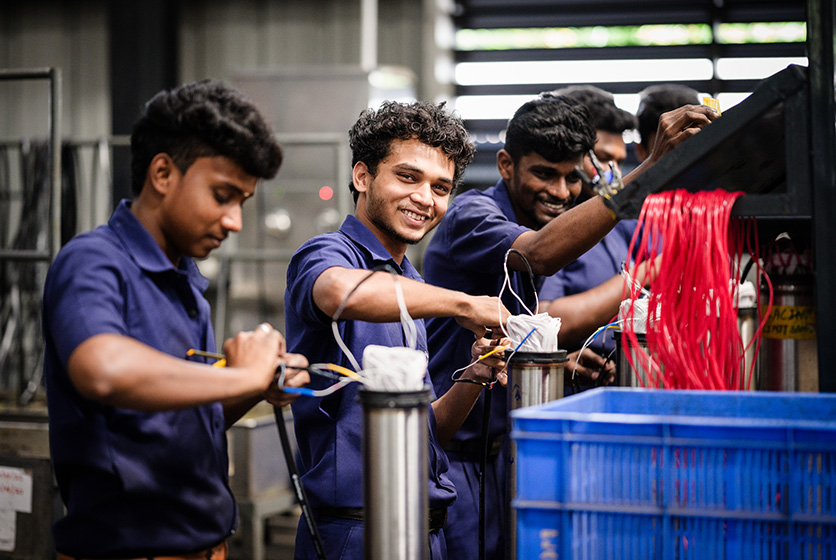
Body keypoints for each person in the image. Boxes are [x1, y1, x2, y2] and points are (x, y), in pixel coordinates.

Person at [423, 94, 718, 559]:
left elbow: (520, 325)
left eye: (571, 178)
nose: (560, 192)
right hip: (454, 458)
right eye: (544, 173)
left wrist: (567, 362)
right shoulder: (472, 216)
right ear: (506, 165)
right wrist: (649, 168)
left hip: (506, 453)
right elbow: (537, 252)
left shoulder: (546, 218)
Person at [42, 80, 310, 560]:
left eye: (243, 202)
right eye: (222, 195)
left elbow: (185, 416)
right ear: (163, 173)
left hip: (206, 547)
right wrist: (242, 374)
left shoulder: (185, 282)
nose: (235, 221)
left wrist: (253, 385)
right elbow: (101, 369)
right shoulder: (94, 262)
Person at [284, 100, 512, 560]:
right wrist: (463, 303)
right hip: (355, 533)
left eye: (441, 187)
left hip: (424, 531)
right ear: (362, 177)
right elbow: (337, 292)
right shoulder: (328, 253)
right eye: (408, 177)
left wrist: (474, 375)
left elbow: (428, 431)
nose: (426, 198)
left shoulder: (411, 285)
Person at [539, 84, 701, 361]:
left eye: (618, 162)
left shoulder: (622, 223)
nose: (611, 174)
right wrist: (649, 271)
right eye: (602, 158)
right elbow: (545, 323)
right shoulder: (551, 224)